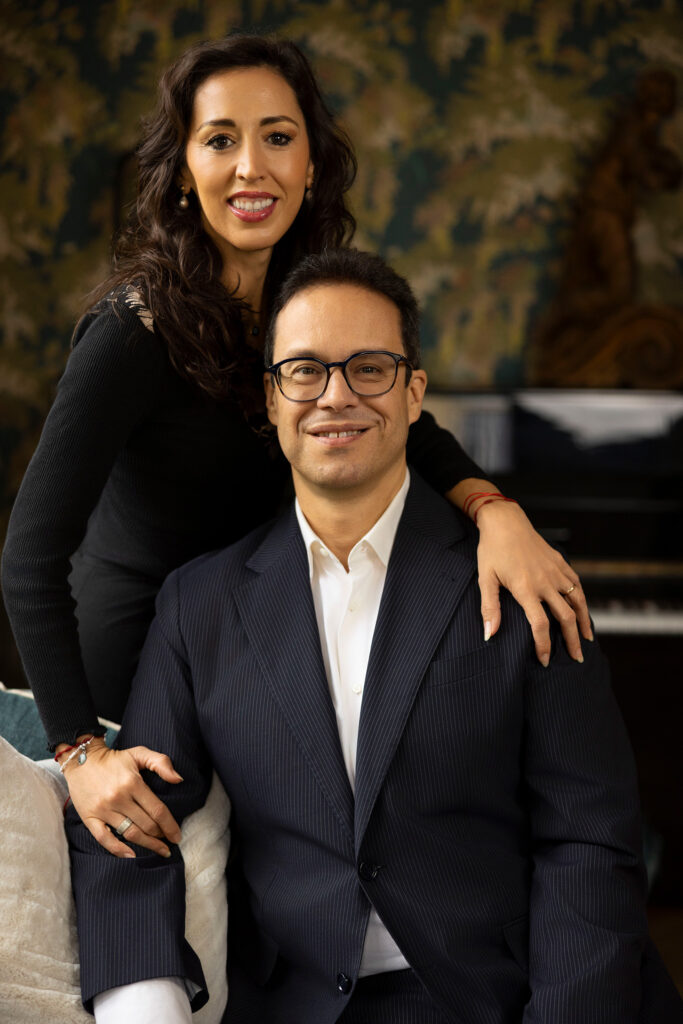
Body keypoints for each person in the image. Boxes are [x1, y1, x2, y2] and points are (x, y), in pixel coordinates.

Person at [1, 35, 591, 858]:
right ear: (182, 172)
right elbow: (28, 557)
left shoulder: (303, 299)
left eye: (277, 137)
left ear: (311, 165)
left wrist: (498, 514)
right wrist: (81, 751)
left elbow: (405, 425)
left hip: (246, 648)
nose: (252, 167)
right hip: (126, 685)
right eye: (220, 140)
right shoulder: (130, 333)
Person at [67, 249, 682, 1023]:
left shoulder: (522, 579)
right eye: (304, 370)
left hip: (501, 999)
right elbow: (126, 826)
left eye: (368, 368)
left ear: (413, 392)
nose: (336, 395)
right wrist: (147, 1009)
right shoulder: (200, 605)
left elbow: (588, 840)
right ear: (271, 397)